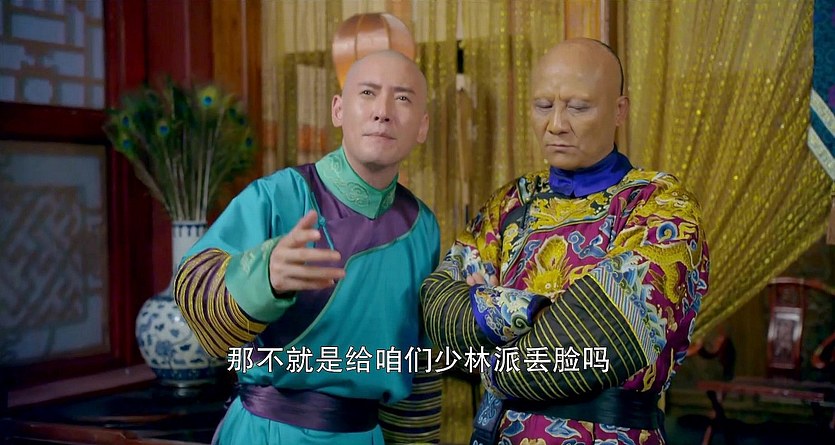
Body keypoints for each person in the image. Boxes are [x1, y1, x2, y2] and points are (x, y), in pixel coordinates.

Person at [420, 38, 710, 444]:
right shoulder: (512, 202)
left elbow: (600, 339)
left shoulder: (659, 206)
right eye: (543, 105)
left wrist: (490, 322)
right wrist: (536, 309)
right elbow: (438, 304)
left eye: (578, 107)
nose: (555, 124)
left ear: (619, 110)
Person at [174, 50, 442, 445]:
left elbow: (419, 366)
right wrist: (264, 278)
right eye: (367, 93)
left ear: (422, 126)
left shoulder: (421, 227)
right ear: (338, 110)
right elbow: (192, 291)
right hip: (267, 432)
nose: (383, 112)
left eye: (402, 98)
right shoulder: (278, 196)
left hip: (365, 437)